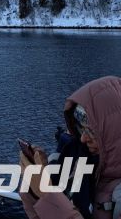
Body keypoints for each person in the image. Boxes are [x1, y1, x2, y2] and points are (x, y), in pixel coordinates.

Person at [21, 76, 121, 219]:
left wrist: (47, 194)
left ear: (114, 134)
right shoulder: (80, 164)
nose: (83, 138)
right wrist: (35, 186)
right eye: (81, 128)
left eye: (92, 132)